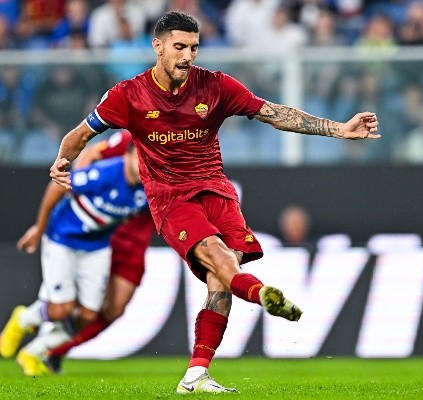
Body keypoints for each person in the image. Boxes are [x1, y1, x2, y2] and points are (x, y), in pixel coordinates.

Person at [49, 10, 379, 394]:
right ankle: (260, 294)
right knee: (217, 256)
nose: (188, 56)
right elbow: (81, 133)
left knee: (219, 282)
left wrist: (340, 129)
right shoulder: (128, 95)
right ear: (157, 46)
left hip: (217, 191)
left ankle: (196, 374)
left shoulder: (216, 86)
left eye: (193, 47)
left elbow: (275, 114)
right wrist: (62, 159)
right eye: (179, 47)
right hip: (171, 199)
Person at [0, 143, 148, 376]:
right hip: (62, 238)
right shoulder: (105, 173)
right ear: (128, 155)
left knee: (88, 315)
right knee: (61, 310)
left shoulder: (147, 192)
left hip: (97, 247)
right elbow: (57, 186)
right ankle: (23, 319)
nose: (144, 167)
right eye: (140, 159)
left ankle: (35, 350)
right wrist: (39, 228)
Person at [39, 130, 155, 374]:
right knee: (74, 301)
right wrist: (82, 198)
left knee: (113, 309)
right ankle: (44, 323)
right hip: (106, 233)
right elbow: (91, 152)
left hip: (136, 243)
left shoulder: (185, 150)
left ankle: (55, 351)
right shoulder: (130, 138)